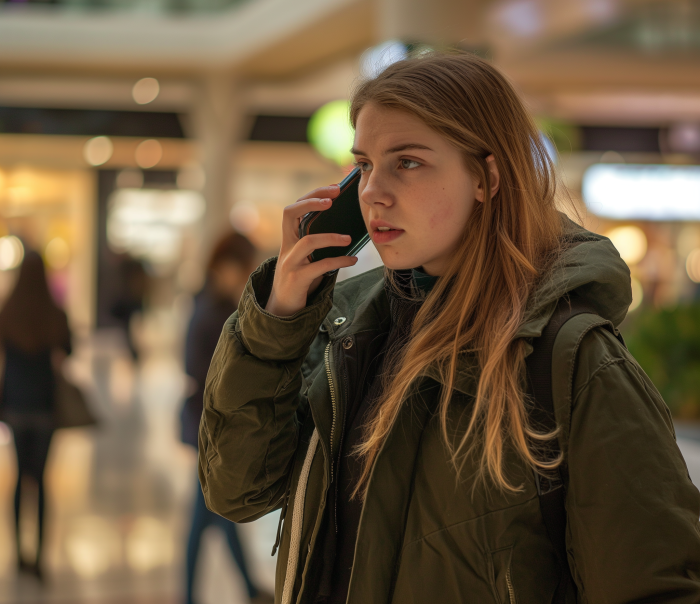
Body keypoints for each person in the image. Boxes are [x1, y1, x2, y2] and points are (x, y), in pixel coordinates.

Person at [198, 53, 700, 603]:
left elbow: (655, 584)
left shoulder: (571, 359)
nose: (372, 192)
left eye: (407, 162)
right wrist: (278, 322)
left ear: (486, 177)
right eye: (364, 165)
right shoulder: (350, 335)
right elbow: (237, 491)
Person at [181, 232, 272, 604]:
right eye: (241, 266)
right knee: (212, 512)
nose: (244, 275)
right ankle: (212, 592)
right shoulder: (212, 310)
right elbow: (200, 369)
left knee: (212, 512)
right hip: (209, 425)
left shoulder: (212, 303)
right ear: (224, 266)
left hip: (209, 424)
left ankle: (242, 589)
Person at [0, 250, 72, 582]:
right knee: (40, 480)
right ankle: (40, 557)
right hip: (45, 404)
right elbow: (70, 350)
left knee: (18, 478)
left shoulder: (8, 311)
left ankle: (17, 554)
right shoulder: (55, 313)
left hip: (14, 402)